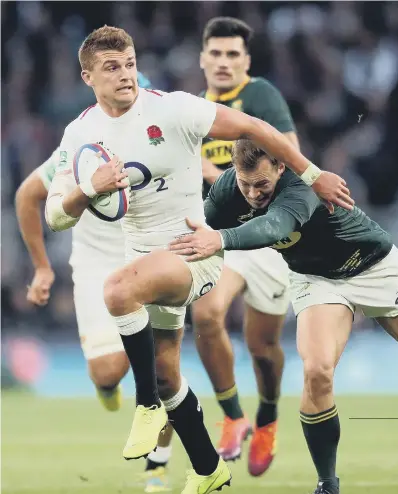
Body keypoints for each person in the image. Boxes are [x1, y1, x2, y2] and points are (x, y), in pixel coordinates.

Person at [45, 25, 353, 494]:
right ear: (87, 76)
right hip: (145, 258)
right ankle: (210, 469)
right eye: (112, 68)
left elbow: (255, 128)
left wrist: (311, 174)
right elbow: (55, 214)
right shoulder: (81, 132)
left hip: (193, 252)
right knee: (170, 375)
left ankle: (145, 405)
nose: (126, 75)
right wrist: (90, 189)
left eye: (129, 64)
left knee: (116, 290)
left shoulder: (174, 109)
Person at [169, 139, 398, 494]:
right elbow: (197, 227)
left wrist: (220, 239)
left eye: (262, 184)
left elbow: (272, 228)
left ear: (281, 167)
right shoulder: (230, 189)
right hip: (317, 281)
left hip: (372, 267)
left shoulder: (301, 188)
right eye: (246, 184)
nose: (254, 193)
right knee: (317, 370)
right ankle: (327, 482)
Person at [145, 16, 299, 490]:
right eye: (217, 53)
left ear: (246, 62)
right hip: (217, 237)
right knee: (207, 314)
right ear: (203, 59)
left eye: (234, 54)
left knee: (263, 348)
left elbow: (290, 155)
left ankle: (268, 416)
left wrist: (222, 179)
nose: (225, 62)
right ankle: (232, 416)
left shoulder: (261, 98)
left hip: (265, 235)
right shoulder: (192, 110)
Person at [15, 71, 152, 413]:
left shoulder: (167, 143)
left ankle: (159, 458)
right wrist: (42, 267)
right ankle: (108, 385)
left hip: (149, 259)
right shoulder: (82, 152)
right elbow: (27, 196)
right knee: (105, 372)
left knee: (162, 355)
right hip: (97, 264)